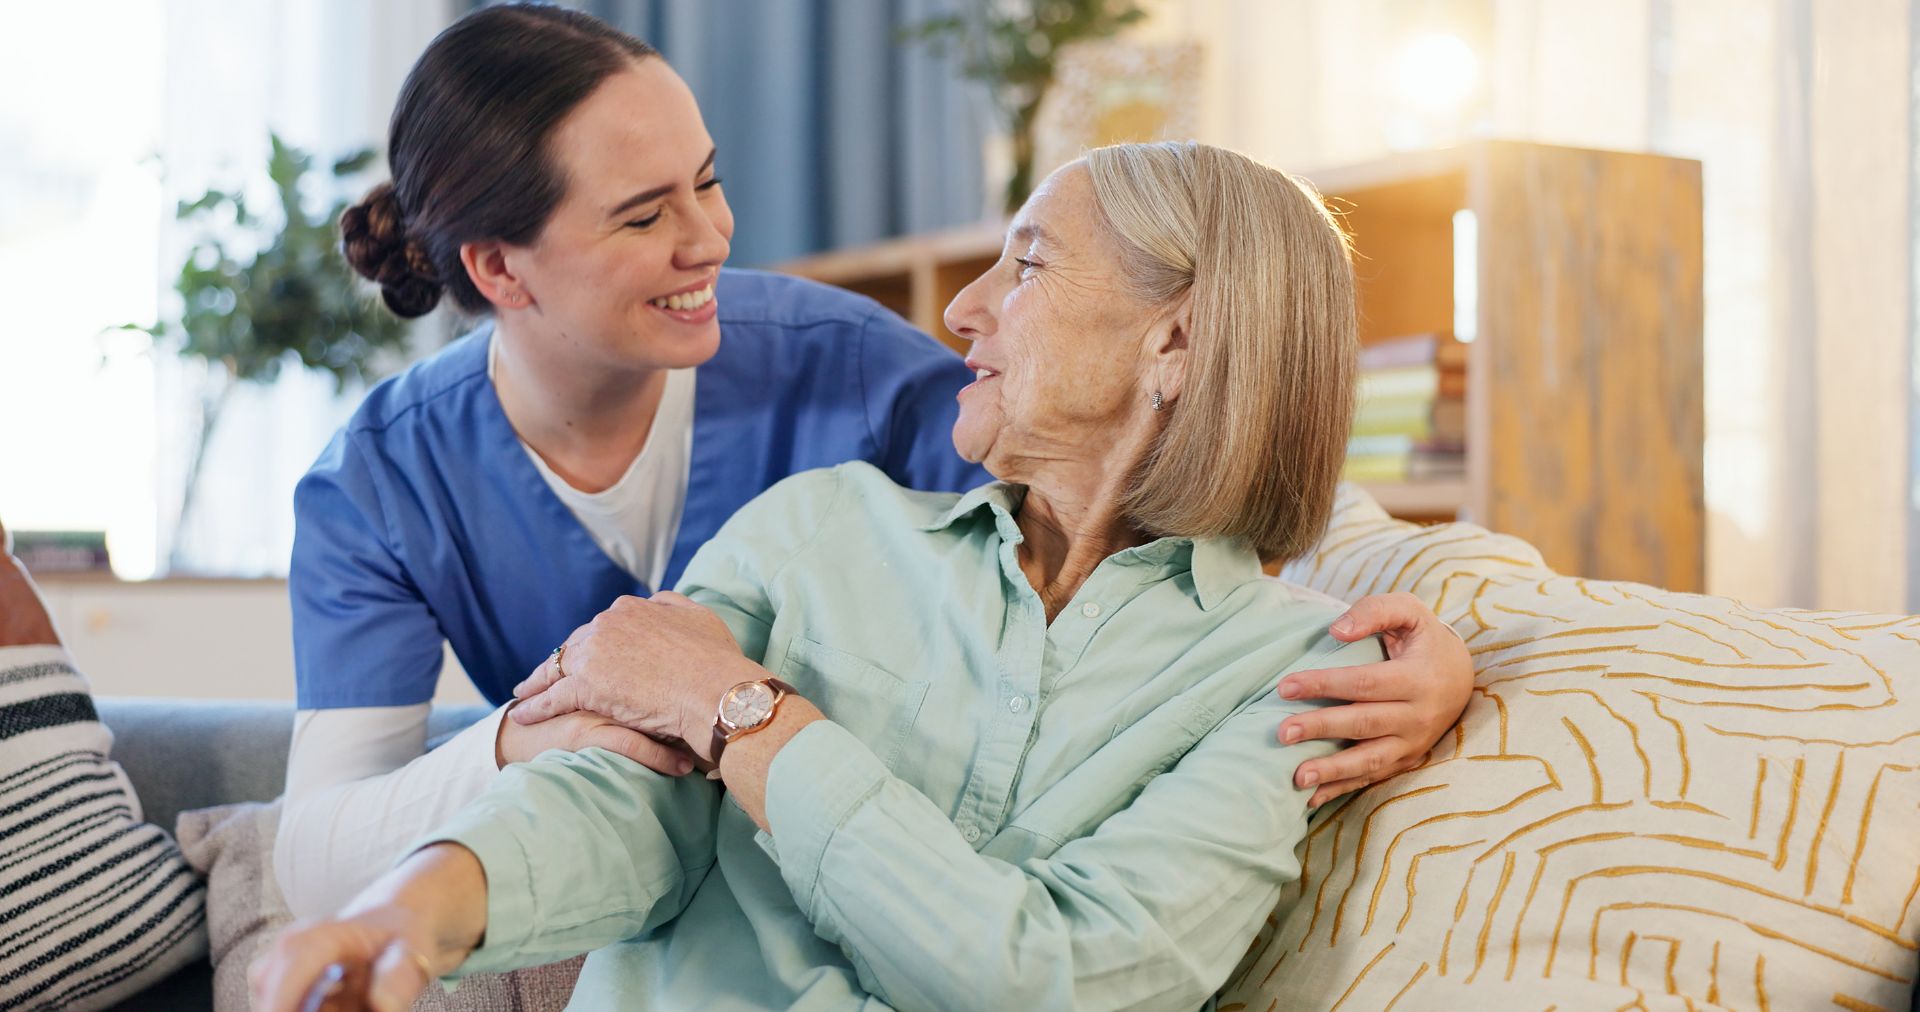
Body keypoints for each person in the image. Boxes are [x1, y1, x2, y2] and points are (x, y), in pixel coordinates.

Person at [277, 3, 1473, 922]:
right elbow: (315, 844)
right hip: (603, 884)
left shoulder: (839, 366)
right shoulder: (380, 483)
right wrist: (510, 743)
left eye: (709, 180)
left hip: (841, 890)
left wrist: (1411, 628)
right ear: (498, 268)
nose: (712, 238)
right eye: (643, 216)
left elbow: (1170, 472)